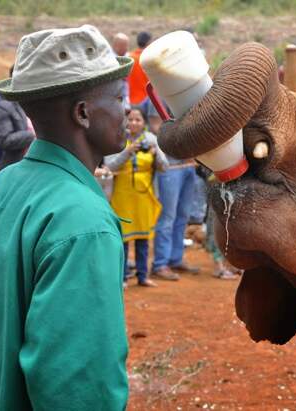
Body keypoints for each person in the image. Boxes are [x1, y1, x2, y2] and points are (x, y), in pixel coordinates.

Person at [0, 25, 133, 410]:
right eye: (118, 98)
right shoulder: (84, 223)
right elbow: (78, 388)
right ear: (83, 113)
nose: (128, 110)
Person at [106, 107, 168, 288]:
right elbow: (109, 166)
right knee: (123, 238)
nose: (133, 123)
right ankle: (123, 277)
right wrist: (127, 151)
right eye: (130, 119)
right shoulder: (117, 139)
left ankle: (143, 276)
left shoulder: (151, 140)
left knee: (143, 238)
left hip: (144, 195)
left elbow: (164, 167)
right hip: (122, 194)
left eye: (137, 120)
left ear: (144, 122)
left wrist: (157, 155)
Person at [147, 99, 200, 281]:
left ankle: (175, 258)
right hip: (169, 165)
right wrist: (181, 140)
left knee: (183, 215)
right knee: (168, 215)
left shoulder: (184, 92)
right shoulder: (156, 94)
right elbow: (155, 127)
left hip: (188, 163)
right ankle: (160, 263)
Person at [0, 94, 35, 170]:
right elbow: (5, 140)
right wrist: (32, 135)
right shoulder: (5, 106)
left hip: (39, 167)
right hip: (15, 167)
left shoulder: (40, 104)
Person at [126, 31, 152, 107]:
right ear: (148, 43)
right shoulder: (149, 59)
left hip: (131, 102)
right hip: (147, 103)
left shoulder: (129, 59)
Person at [111, 33, 130, 111]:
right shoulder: (109, 59)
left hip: (126, 95)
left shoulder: (128, 57)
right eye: (124, 45)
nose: (126, 48)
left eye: (127, 45)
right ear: (115, 46)